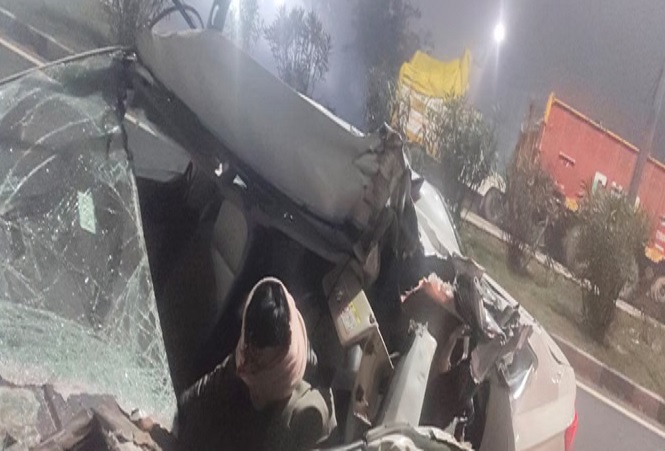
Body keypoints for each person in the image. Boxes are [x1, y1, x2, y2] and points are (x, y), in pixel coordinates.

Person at [176, 277, 336, 450]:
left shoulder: (304, 411)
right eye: (248, 346)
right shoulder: (250, 344)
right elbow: (217, 381)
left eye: (258, 356)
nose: (246, 362)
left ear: (282, 349)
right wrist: (180, 410)